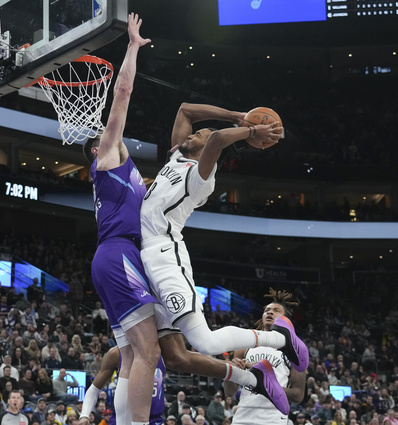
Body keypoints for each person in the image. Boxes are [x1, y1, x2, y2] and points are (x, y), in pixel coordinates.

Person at [137, 102, 308, 409]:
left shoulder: (201, 177)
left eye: (198, 135)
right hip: (146, 263)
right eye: (194, 134)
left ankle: (282, 341)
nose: (192, 135)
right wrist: (235, 116)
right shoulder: (176, 156)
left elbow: (216, 141)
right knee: (175, 356)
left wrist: (251, 130)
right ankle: (256, 375)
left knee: (205, 342)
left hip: (166, 258)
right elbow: (185, 110)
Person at [82, 13, 159, 425]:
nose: (110, 134)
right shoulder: (107, 157)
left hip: (114, 257)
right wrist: (131, 47)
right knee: (150, 350)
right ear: (97, 150)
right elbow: (123, 93)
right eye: (104, 136)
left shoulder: (130, 177)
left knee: (131, 353)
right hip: (116, 256)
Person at [223, 288, 307, 425]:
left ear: (285, 320)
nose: (269, 312)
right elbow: (229, 392)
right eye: (267, 310)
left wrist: (266, 385)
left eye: (276, 310)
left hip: (273, 416)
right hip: (243, 414)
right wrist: (230, 373)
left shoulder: (294, 350)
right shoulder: (246, 344)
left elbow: (298, 395)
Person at [79, 346, 165, 425]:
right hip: (123, 419)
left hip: (154, 420)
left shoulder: (163, 350)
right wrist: (84, 415)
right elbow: (93, 390)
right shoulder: (116, 353)